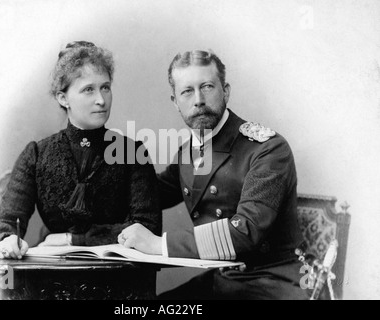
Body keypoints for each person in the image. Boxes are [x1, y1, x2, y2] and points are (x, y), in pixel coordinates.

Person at [118, 49, 309, 300]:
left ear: (225, 91)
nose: (198, 99)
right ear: (175, 102)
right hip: (225, 280)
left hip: (274, 283)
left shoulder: (267, 149)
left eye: (207, 86)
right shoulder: (188, 152)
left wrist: (157, 245)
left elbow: (246, 232)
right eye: (187, 91)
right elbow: (150, 194)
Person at [0, 41, 161, 262]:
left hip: (119, 276)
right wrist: (6, 239)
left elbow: (148, 228)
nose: (101, 100)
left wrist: (73, 239)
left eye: (105, 87)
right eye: (88, 90)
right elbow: (6, 221)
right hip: (52, 274)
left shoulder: (131, 152)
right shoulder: (37, 154)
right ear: (63, 98)